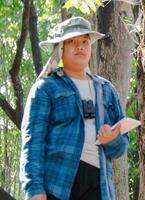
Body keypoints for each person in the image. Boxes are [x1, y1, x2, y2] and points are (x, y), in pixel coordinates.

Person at [20, 16, 129, 200]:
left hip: (98, 185)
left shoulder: (107, 90)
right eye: (72, 41)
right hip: (56, 185)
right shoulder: (45, 88)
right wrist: (34, 187)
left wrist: (112, 139)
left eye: (85, 41)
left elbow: (121, 147)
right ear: (60, 48)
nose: (80, 46)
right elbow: (33, 141)